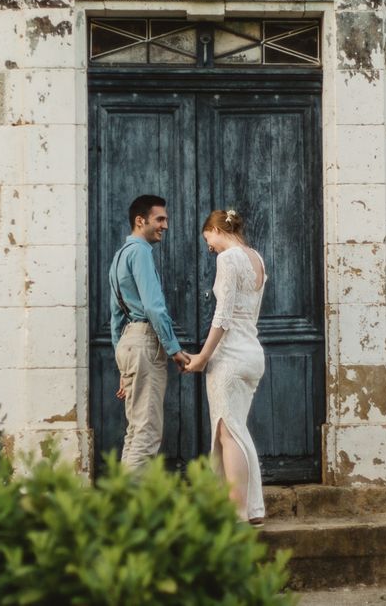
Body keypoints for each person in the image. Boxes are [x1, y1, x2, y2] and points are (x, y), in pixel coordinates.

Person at [184, 208, 267, 525]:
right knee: (237, 429)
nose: (209, 248)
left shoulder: (228, 259)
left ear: (217, 230)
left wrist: (202, 357)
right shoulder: (257, 258)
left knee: (226, 432)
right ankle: (254, 509)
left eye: (209, 240)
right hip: (252, 354)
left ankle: (237, 512)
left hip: (230, 355)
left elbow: (223, 316)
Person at [109, 195, 190, 470]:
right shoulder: (141, 252)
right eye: (160, 219)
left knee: (135, 430)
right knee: (147, 430)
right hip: (145, 341)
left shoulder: (119, 256)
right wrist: (174, 349)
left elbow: (115, 317)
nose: (165, 225)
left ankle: (122, 499)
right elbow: (154, 307)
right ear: (140, 221)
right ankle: (133, 508)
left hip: (128, 343)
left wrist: (122, 364)